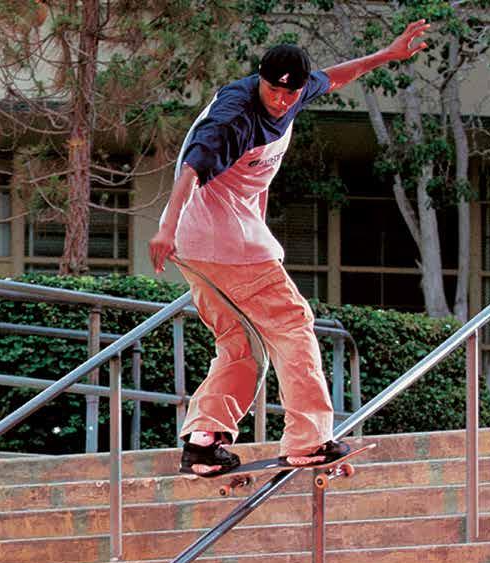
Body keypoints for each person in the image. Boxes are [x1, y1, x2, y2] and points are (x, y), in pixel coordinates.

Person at [149, 20, 430, 476]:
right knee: (292, 323)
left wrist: (387, 55)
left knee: (240, 341)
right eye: (272, 91)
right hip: (223, 240)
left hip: (196, 246)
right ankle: (309, 439)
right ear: (258, 80)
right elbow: (192, 168)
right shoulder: (234, 116)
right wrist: (166, 227)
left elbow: (335, 76)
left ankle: (203, 441)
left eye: (290, 93)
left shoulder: (298, 90)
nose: (280, 101)